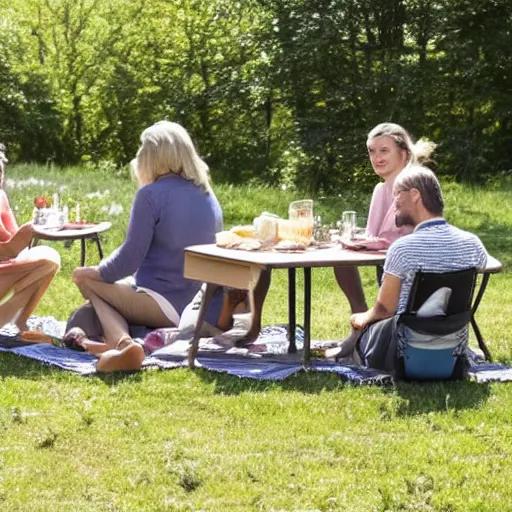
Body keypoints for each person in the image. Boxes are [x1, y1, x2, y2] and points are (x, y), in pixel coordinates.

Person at [65, 121, 226, 372]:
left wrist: (95, 272)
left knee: (88, 283)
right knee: (93, 307)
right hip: (201, 303)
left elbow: (131, 256)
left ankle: (122, 344)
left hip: (165, 303)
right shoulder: (207, 193)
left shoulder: (151, 194)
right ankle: (100, 341)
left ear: (152, 156)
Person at [335, 165, 488, 373]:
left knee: (364, 326)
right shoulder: (473, 244)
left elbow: (385, 309)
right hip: (452, 353)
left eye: (398, 193)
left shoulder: (402, 249)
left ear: (415, 195)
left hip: (405, 355)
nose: (393, 202)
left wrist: (361, 317)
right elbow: (483, 267)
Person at [334, 123, 437, 314]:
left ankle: (368, 322)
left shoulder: (414, 188)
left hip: (417, 270)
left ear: (403, 154)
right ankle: (360, 314)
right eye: (372, 152)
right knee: (341, 262)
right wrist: (353, 240)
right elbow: (374, 236)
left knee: (342, 257)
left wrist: (358, 242)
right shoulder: (381, 189)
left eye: (384, 151)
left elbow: (407, 238)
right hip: (388, 262)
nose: (377, 158)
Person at [0, 143, 61, 332]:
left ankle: (20, 320)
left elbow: (16, 240)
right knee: (47, 262)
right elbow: (11, 247)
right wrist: (12, 247)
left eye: (0, 171)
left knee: (49, 258)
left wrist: (35, 227)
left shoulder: (1, 196)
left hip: (7, 262)